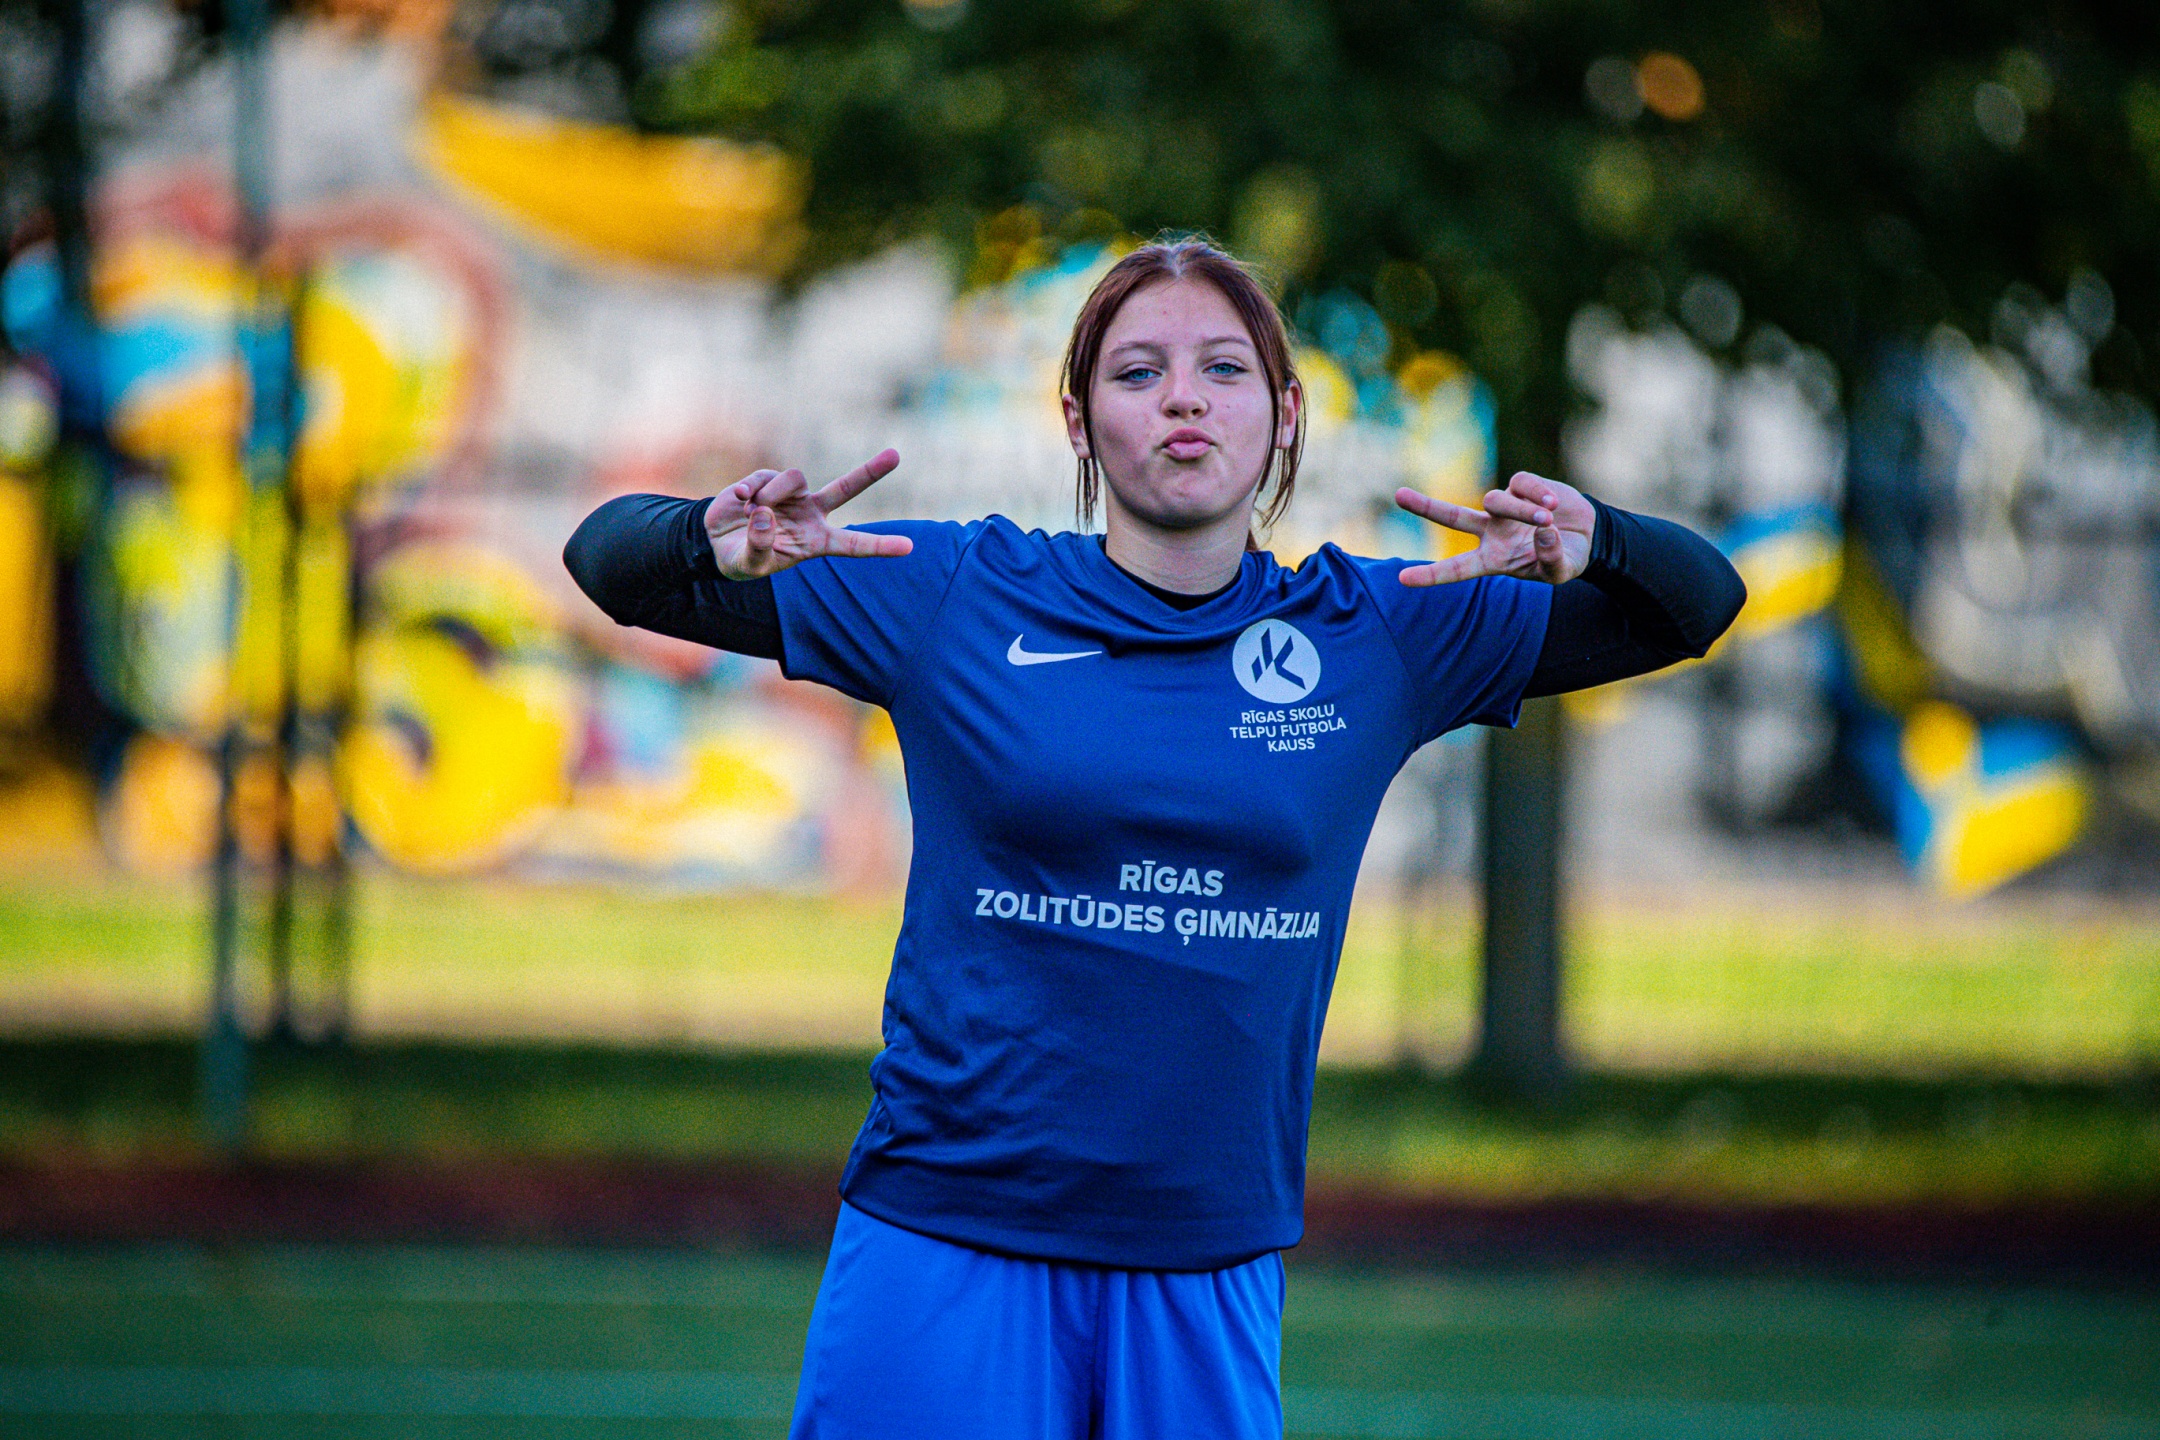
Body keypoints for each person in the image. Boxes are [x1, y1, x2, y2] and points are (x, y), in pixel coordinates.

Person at [564, 237, 1744, 1439]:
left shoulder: (1382, 630)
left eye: (1224, 369)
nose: (1184, 398)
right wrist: (707, 534)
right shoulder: (957, 592)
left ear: (1286, 417)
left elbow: (1698, 605)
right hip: (945, 1236)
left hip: (1206, 1261)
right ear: (1079, 424)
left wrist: (1601, 542)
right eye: (1138, 372)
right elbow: (609, 566)